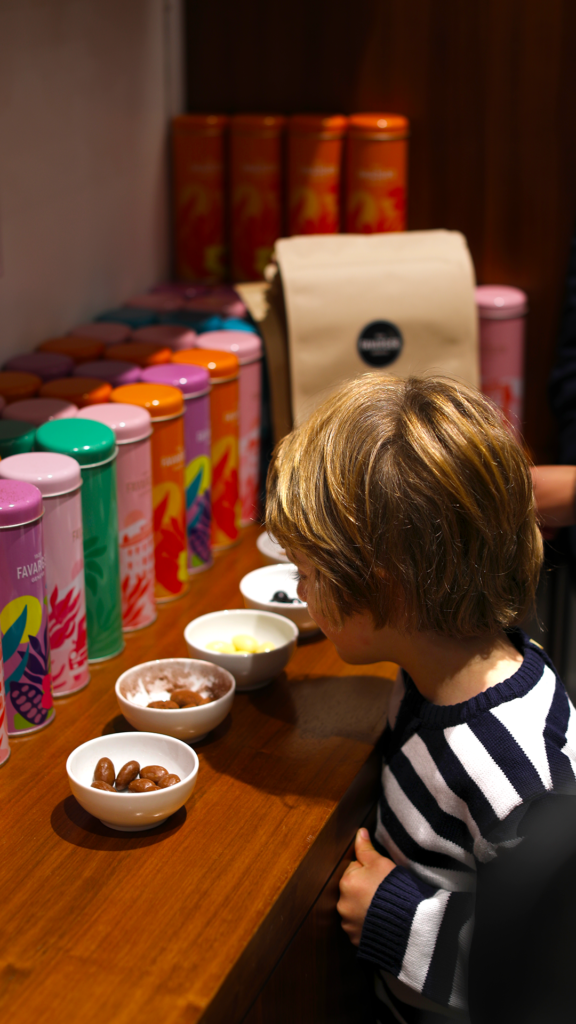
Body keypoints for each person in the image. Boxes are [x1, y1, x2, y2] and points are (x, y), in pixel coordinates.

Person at [265, 374, 576, 1023]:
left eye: (310, 572)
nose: (298, 589)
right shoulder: (428, 675)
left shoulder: (517, 770)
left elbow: (545, 975)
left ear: (387, 591)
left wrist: (397, 917)